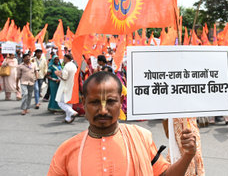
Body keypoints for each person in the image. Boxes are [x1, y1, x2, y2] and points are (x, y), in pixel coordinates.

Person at [48, 71, 197, 175]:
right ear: (84, 103)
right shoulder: (66, 151)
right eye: (95, 102)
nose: (103, 110)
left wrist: (188, 155)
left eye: (111, 101)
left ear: (121, 102)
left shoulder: (141, 138)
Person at [55, 54, 78, 123]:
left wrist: (58, 74)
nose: (63, 59)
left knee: (60, 103)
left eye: (64, 58)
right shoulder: (73, 65)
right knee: (68, 102)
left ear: (66, 58)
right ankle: (68, 118)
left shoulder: (66, 66)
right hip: (71, 85)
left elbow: (64, 78)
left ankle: (72, 112)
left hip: (65, 86)